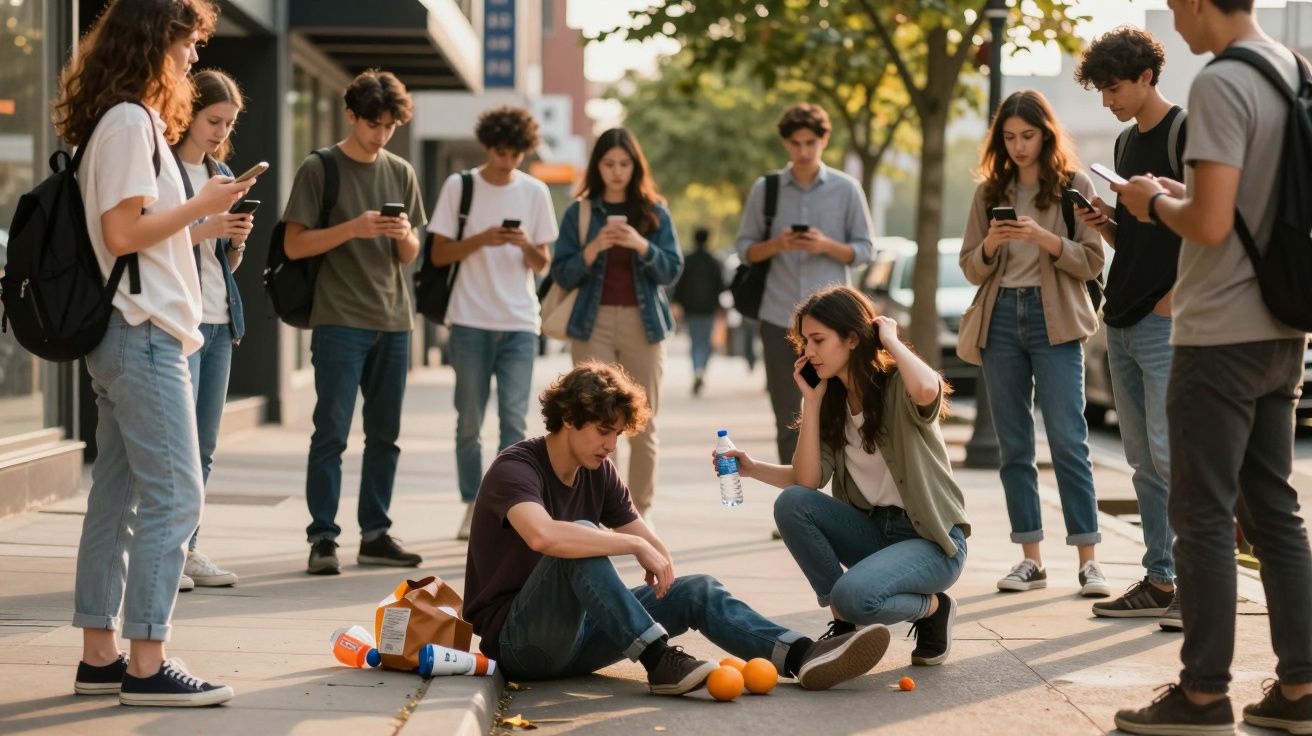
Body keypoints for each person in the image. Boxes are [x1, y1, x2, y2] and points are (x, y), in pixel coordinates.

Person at [1111, 1, 1312, 732]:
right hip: (1282, 326)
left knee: (1199, 516)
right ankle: (1300, 688)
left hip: (1218, 332)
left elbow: (1210, 222)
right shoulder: (1294, 71)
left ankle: (1201, 694)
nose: (1174, 22)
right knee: (1274, 512)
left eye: (1174, 7)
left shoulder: (1221, 82)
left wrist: (1148, 202)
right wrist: (1177, 194)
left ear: (1198, 2)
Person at [462, 361, 893, 695]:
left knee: (697, 589)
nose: (612, 446)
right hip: (522, 644)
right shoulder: (515, 468)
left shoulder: (599, 469)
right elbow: (544, 536)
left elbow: (651, 544)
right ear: (568, 420)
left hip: (580, 638)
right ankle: (659, 660)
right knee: (578, 537)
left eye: (618, 435)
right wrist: (628, 543)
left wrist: (657, 559)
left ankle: (802, 656)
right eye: (603, 432)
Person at [57, 0, 251, 705]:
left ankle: (100, 657)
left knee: (119, 497)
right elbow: (124, 233)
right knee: (176, 496)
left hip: (130, 332)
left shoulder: (122, 120)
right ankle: (146, 664)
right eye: (190, 42)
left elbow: (133, 231)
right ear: (155, 41)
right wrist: (205, 205)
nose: (195, 58)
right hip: (141, 335)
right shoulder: (130, 122)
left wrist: (203, 206)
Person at [717, 286, 969, 666]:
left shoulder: (897, 385)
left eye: (818, 340)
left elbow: (927, 387)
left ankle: (932, 609)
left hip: (931, 541)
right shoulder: (832, 401)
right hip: (876, 533)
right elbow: (807, 481)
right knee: (793, 504)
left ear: (852, 338)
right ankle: (845, 621)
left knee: (853, 597)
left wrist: (890, 340)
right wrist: (807, 407)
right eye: (805, 341)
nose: (808, 352)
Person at [958, 89, 1111, 598]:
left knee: (1069, 440)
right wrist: (991, 244)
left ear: (1046, 134)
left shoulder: (1074, 186)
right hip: (1000, 318)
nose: (1019, 146)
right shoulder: (988, 193)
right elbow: (969, 265)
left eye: (1028, 135)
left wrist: (1047, 241)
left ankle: (1089, 561)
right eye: (1009, 137)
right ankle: (1031, 559)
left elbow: (1093, 260)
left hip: (1057, 322)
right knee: (1014, 445)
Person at [283, 70, 426, 575]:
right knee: (333, 432)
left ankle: (376, 534)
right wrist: (353, 228)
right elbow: (294, 244)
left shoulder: (402, 171)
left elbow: (410, 254)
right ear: (351, 115)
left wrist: (401, 233)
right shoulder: (320, 168)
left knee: (385, 434)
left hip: (394, 319)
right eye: (372, 123)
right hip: (339, 318)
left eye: (389, 125)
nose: (381, 134)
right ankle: (323, 537)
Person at [1073, 27, 1185, 627]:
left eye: (1114, 87)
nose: (1108, 99)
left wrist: (1176, 295)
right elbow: (1139, 235)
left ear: (1146, 77)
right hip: (1120, 316)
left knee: (1176, 459)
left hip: (1165, 322)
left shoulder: (1184, 132)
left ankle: (1197, 584)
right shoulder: (1121, 143)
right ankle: (1160, 579)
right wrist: (1105, 221)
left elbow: (1211, 222)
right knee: (1143, 462)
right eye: (1100, 90)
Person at [426, 106, 558, 541]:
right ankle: (472, 504)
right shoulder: (460, 186)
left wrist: (523, 245)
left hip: (520, 322)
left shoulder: (535, 191)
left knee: (514, 422)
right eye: (502, 153)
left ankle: (509, 508)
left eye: (517, 154)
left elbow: (544, 264)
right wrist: (482, 239)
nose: (509, 162)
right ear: (488, 146)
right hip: (468, 321)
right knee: (468, 420)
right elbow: (438, 254)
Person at [549, 128, 682, 521]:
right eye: (609, 164)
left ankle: (638, 514)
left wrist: (641, 244)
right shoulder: (581, 211)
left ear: (635, 166)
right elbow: (562, 272)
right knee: (592, 421)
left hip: (645, 326)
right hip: (593, 324)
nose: (617, 172)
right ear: (597, 167)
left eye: (624, 164)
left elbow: (672, 269)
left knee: (643, 423)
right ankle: (596, 511)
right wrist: (594, 248)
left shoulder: (655, 211)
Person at [734, 103, 873, 467]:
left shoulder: (847, 189)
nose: (804, 151)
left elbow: (865, 250)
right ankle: (797, 501)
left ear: (824, 140)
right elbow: (745, 249)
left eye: (811, 142)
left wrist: (825, 245)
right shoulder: (767, 189)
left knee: (842, 411)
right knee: (788, 415)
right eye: (795, 143)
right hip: (779, 318)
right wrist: (777, 244)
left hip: (835, 324)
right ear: (786, 144)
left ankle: (842, 503)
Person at [171, 69, 252, 590]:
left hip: (221, 319)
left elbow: (221, 262)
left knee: (204, 445)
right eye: (213, 120)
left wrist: (235, 239)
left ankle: (190, 548)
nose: (220, 131)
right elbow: (151, 241)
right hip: (181, 318)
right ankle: (166, 551)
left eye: (229, 123)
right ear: (189, 115)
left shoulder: (220, 171)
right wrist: (207, 226)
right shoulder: (167, 171)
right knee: (173, 444)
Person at [672, 227, 724, 395]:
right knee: (706, 341)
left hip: (691, 308)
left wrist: (677, 303)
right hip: (709, 308)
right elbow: (721, 285)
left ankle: (697, 370)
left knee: (695, 341)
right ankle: (701, 369)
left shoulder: (688, 260)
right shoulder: (713, 260)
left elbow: (680, 285)